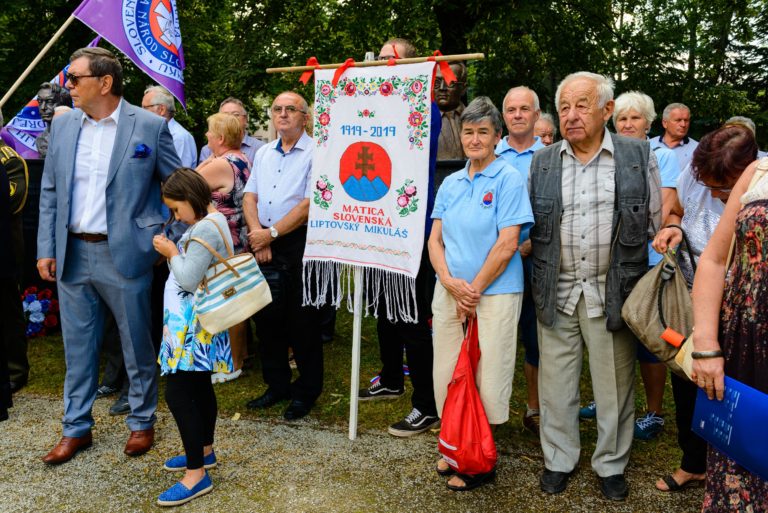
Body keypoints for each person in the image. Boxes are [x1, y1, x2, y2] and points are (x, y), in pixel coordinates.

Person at [36, 47, 180, 464]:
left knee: (137, 343)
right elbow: (50, 192)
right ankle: (76, 428)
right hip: (73, 253)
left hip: (126, 254)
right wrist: (46, 247)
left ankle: (141, 421)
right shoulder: (64, 128)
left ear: (104, 82)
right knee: (77, 347)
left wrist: (162, 236)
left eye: (74, 79)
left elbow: (176, 187)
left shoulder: (149, 126)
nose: (67, 87)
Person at [530, 72, 661, 501]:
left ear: (607, 110)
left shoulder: (638, 155)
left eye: (582, 105)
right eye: (564, 106)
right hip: (558, 289)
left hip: (613, 291)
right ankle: (559, 459)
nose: (571, 115)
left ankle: (610, 465)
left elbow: (661, 215)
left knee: (615, 387)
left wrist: (671, 228)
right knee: (556, 386)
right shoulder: (543, 161)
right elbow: (533, 225)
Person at [431, 96, 534, 491]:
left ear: (496, 137)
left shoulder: (508, 178)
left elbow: (508, 242)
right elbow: (434, 240)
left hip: (495, 293)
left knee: (487, 373)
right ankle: (454, 444)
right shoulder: (453, 181)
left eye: (483, 133)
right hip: (450, 290)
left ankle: (480, 458)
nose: (474, 139)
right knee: (448, 370)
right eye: (469, 132)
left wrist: (472, 290)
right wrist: (449, 281)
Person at [652, 124, 757, 493]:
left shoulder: (761, 182)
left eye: (722, 188)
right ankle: (693, 464)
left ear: (749, 170)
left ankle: (741, 474)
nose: (711, 192)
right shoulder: (695, 174)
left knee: (738, 394)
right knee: (687, 383)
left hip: (745, 309)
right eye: (706, 184)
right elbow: (676, 210)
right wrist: (674, 228)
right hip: (691, 294)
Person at [357, 38, 440, 438]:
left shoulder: (425, 106)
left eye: (392, 60)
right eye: (381, 58)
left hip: (408, 228)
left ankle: (427, 404)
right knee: (382, 310)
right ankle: (391, 377)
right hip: (376, 223)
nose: (384, 64)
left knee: (410, 316)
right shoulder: (376, 107)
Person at [689, 134, 768, 512]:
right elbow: (715, 260)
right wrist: (704, 344)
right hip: (749, 343)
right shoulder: (759, 172)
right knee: (744, 458)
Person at [597, 91, 681, 441]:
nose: (628, 124)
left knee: (649, 334)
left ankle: (654, 412)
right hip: (609, 260)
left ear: (649, 122)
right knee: (611, 333)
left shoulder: (662, 156)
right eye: (622, 119)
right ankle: (609, 402)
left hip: (646, 257)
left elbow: (662, 208)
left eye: (635, 118)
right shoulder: (605, 155)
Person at [152, 168, 233, 507]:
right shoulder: (214, 222)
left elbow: (187, 279)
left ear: (190, 198)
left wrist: (171, 252)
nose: (175, 216)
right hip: (195, 323)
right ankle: (204, 450)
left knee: (178, 393)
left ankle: (196, 474)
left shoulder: (205, 228)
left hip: (192, 328)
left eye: (175, 208)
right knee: (199, 388)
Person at [243, 91, 323, 421]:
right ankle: (277, 385)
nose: (283, 114)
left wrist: (271, 235)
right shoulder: (264, 153)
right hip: (263, 242)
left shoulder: (317, 152)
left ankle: (306, 391)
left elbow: (307, 206)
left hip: (298, 243)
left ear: (305, 117)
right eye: (277, 109)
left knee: (302, 321)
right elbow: (250, 196)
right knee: (267, 319)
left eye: (291, 109)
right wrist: (258, 235)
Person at [495, 86, 545, 435]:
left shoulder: (552, 156)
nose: (517, 115)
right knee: (495, 334)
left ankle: (534, 406)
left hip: (534, 257)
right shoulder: (490, 154)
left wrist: (529, 245)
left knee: (534, 335)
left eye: (524, 109)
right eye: (510, 109)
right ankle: (488, 408)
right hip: (496, 261)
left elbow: (557, 210)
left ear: (536, 115)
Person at [196, 112, 250, 382]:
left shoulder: (220, 164)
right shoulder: (242, 159)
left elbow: (181, 188)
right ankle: (234, 360)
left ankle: (231, 364)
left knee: (227, 303)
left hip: (223, 242)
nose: (206, 136)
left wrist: (203, 165)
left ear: (219, 137)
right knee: (235, 301)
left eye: (208, 132)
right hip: (237, 238)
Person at [0, 108, 29, 395]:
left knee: (7, 309)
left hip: (5, 243)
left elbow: (13, 198)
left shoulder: (9, 158)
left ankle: (16, 370)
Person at [142, 85, 197, 168]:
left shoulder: (179, 137)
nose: (140, 112)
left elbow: (179, 176)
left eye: (145, 108)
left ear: (161, 110)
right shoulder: (149, 133)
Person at [199, 97, 264, 165]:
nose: (231, 119)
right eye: (225, 115)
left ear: (245, 119)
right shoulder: (208, 149)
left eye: (236, 114)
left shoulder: (260, 148)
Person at [433, 61, 467, 160]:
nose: (442, 88)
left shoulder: (476, 119)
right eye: (436, 83)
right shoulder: (421, 123)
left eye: (450, 83)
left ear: (463, 89)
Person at [650, 103, 698, 172]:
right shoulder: (649, 145)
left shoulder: (697, 149)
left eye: (686, 120)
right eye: (678, 120)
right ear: (665, 123)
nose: (683, 124)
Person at [35, 82, 71, 158]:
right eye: (40, 102)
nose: (43, 107)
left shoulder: (74, 137)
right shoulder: (41, 139)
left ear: (63, 104)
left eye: (50, 102)